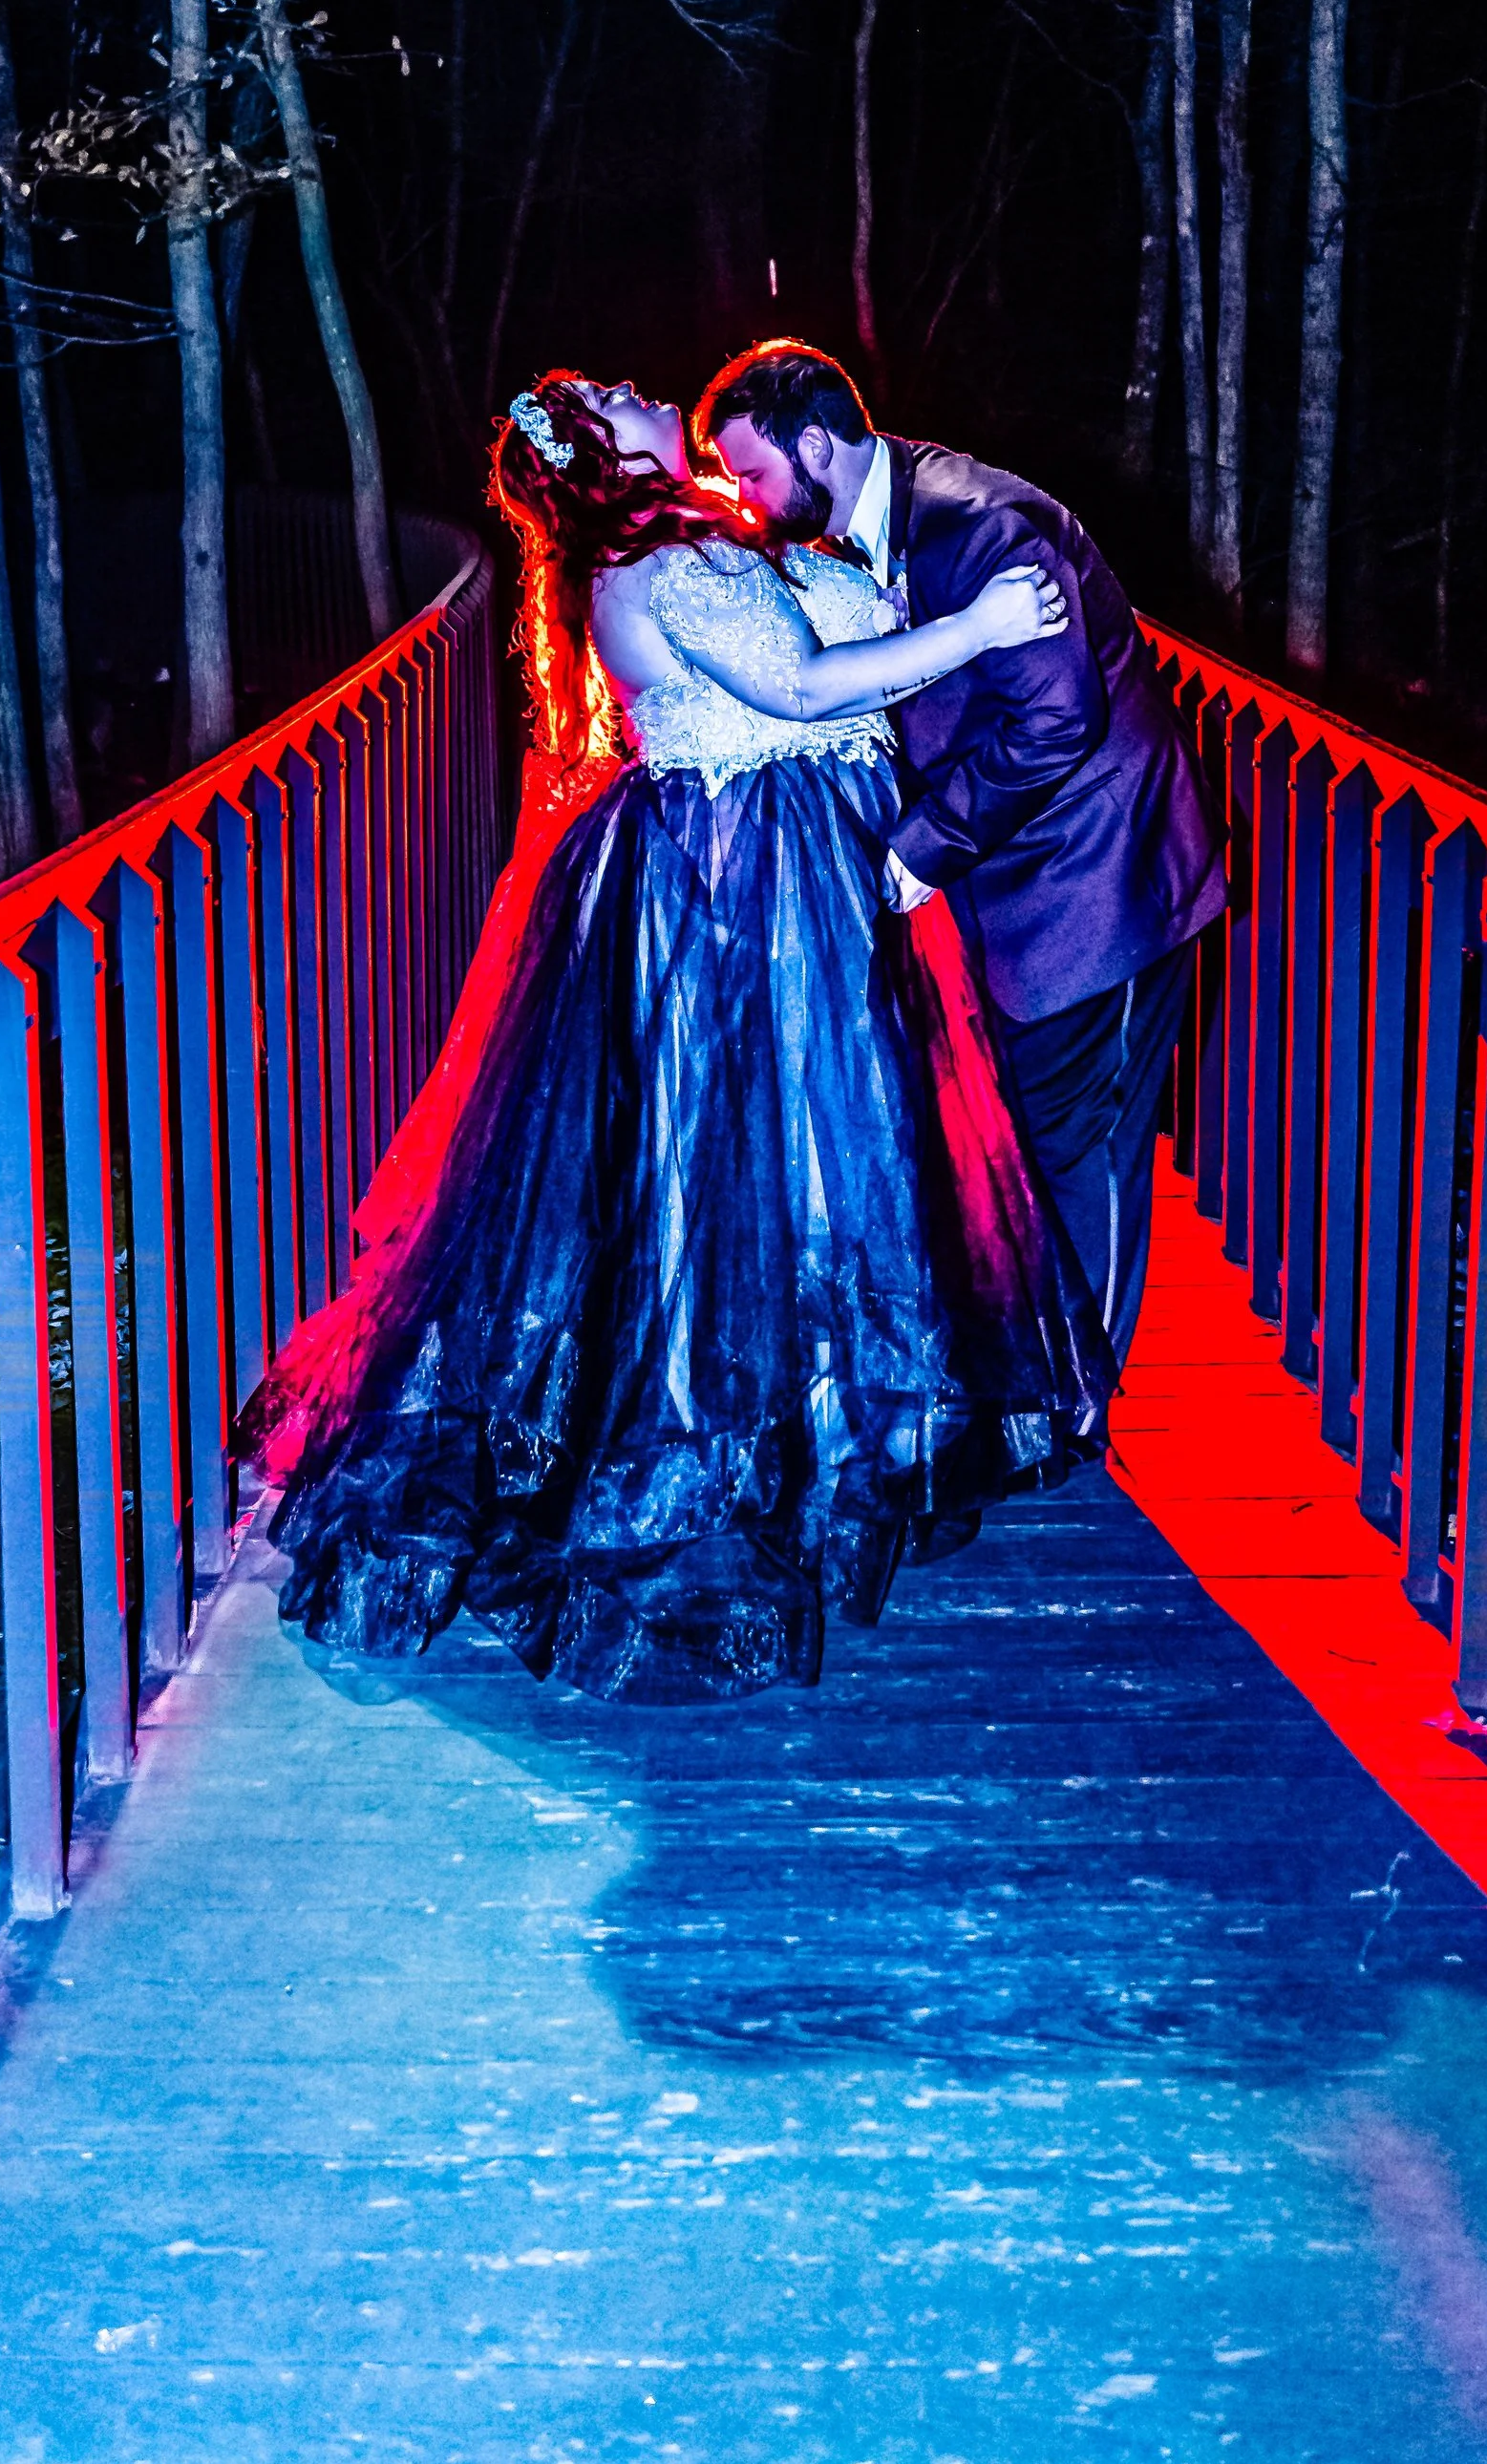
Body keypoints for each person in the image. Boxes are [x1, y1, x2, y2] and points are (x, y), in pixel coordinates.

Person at [246, 370, 1117, 1708]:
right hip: (751, 885)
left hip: (793, 871)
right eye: (617, 393)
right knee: (755, 1177)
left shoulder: (691, 542)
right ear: (602, 449)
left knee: (814, 1169)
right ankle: (729, 1456)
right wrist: (980, 625)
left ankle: (822, 1429)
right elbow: (809, 684)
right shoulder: (660, 559)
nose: (643, 387)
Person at [696, 340, 1224, 1374]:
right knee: (1026, 1130)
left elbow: (1054, 720)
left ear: (814, 445)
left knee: (1083, 1148)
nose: (744, 498)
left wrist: (918, 851)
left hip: (1097, 886)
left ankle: (1077, 1394)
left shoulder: (981, 528)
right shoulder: (874, 525)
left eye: (752, 472)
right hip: (1018, 887)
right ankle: (1039, 1367)